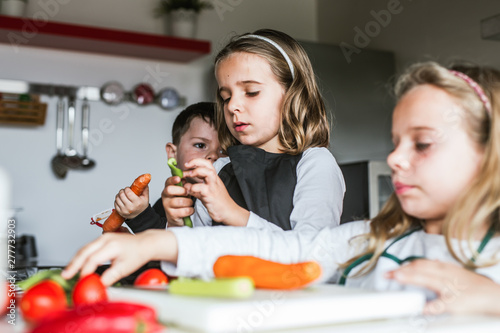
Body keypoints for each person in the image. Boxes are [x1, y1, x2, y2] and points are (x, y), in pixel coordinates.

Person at [63, 60, 500, 317]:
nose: (395, 158)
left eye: (422, 143)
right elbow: (292, 252)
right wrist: (159, 239)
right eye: (396, 142)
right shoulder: (372, 240)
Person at [162, 28, 345, 231]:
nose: (232, 106)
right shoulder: (219, 170)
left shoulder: (315, 164)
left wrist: (234, 214)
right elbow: (193, 254)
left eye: (251, 92)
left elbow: (313, 253)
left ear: (293, 94)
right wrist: (176, 223)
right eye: (226, 97)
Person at [113, 102, 222, 233]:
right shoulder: (164, 204)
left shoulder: (227, 202)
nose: (214, 156)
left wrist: (141, 216)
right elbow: (159, 248)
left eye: (223, 150)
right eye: (200, 145)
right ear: (172, 153)